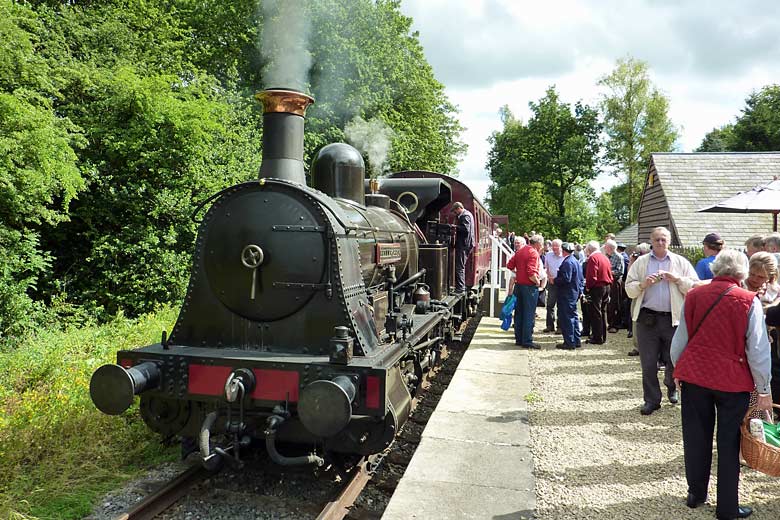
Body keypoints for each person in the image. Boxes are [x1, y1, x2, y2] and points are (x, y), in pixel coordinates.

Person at [671, 249, 772, 520]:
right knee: (728, 443)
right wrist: (763, 389)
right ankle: (727, 506)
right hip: (732, 380)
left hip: (695, 376)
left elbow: (680, 341)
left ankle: (696, 494)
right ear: (742, 273)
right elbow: (758, 350)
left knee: (695, 436)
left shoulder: (693, 296)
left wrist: (678, 371)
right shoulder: (747, 300)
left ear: (715, 269)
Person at [625, 226, 698, 415]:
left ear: (669, 240)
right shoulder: (641, 262)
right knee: (648, 363)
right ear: (651, 241)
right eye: (656, 239)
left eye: (663, 239)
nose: (660, 242)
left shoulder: (680, 262)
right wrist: (643, 284)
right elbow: (629, 288)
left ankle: (671, 386)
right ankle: (651, 400)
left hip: (673, 320)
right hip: (647, 319)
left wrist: (677, 279)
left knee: (673, 359)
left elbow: (695, 288)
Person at [507, 234, 544, 349]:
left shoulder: (520, 251)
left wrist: (519, 272)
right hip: (529, 287)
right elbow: (531, 272)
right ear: (538, 244)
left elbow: (509, 265)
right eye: (541, 244)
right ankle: (527, 340)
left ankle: (519, 339)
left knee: (519, 313)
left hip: (518, 286)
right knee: (529, 314)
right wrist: (538, 282)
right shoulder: (533, 253)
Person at [555, 242, 584, 350]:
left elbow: (566, 279)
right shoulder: (575, 261)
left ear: (564, 250)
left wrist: (555, 280)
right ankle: (576, 340)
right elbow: (580, 278)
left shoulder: (567, 262)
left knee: (567, 318)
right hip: (573, 293)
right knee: (574, 317)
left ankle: (569, 342)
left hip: (567, 294)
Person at [584, 240, 612, 345]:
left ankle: (597, 337)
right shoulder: (604, 257)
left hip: (597, 287)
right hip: (606, 286)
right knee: (602, 312)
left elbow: (592, 275)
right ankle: (602, 336)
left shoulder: (593, 258)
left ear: (589, 249)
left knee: (595, 313)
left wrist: (588, 287)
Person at [451, 201, 474, 294]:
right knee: (460, 266)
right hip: (465, 244)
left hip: (464, 245)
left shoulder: (465, 216)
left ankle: (460, 288)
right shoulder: (468, 214)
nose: (455, 213)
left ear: (459, 208)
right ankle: (460, 287)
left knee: (460, 267)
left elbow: (466, 230)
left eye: (455, 212)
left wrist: (455, 226)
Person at [543, 239, 565, 334]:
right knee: (550, 304)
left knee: (561, 305)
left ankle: (560, 326)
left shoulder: (564, 257)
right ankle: (549, 325)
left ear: (561, 247)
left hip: (561, 284)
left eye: (557, 246)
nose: (555, 248)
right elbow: (546, 267)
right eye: (553, 246)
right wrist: (549, 277)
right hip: (551, 282)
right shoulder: (548, 255)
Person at [604, 239, 624, 333]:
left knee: (615, 303)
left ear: (610, 248)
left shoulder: (618, 257)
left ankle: (615, 324)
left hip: (615, 282)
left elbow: (620, 271)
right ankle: (609, 323)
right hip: (607, 282)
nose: (604, 248)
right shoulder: (606, 256)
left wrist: (608, 272)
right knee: (608, 303)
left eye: (606, 247)